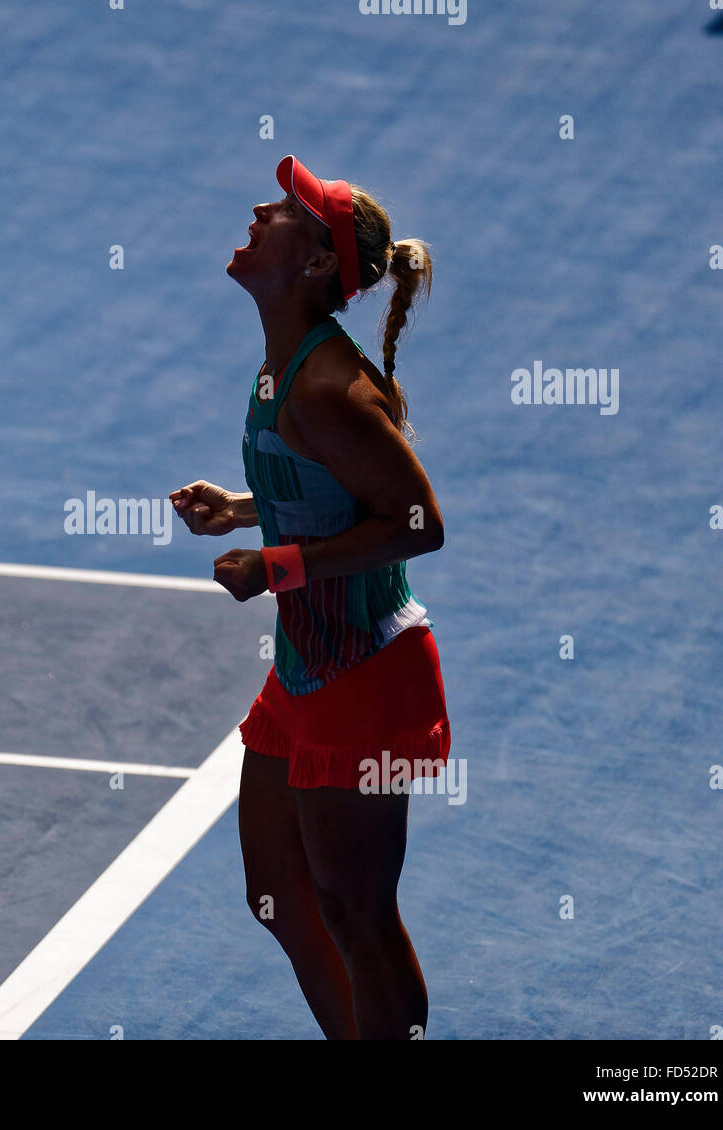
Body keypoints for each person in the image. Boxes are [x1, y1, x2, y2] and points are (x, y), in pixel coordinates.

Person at [171, 155, 450, 1040]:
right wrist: (245, 510)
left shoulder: (328, 389)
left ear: (317, 264)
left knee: (357, 916)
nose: (262, 206)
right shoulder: (281, 370)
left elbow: (417, 522)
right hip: (307, 672)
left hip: (365, 677)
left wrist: (276, 566)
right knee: (280, 896)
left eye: (288, 209)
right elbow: (330, 487)